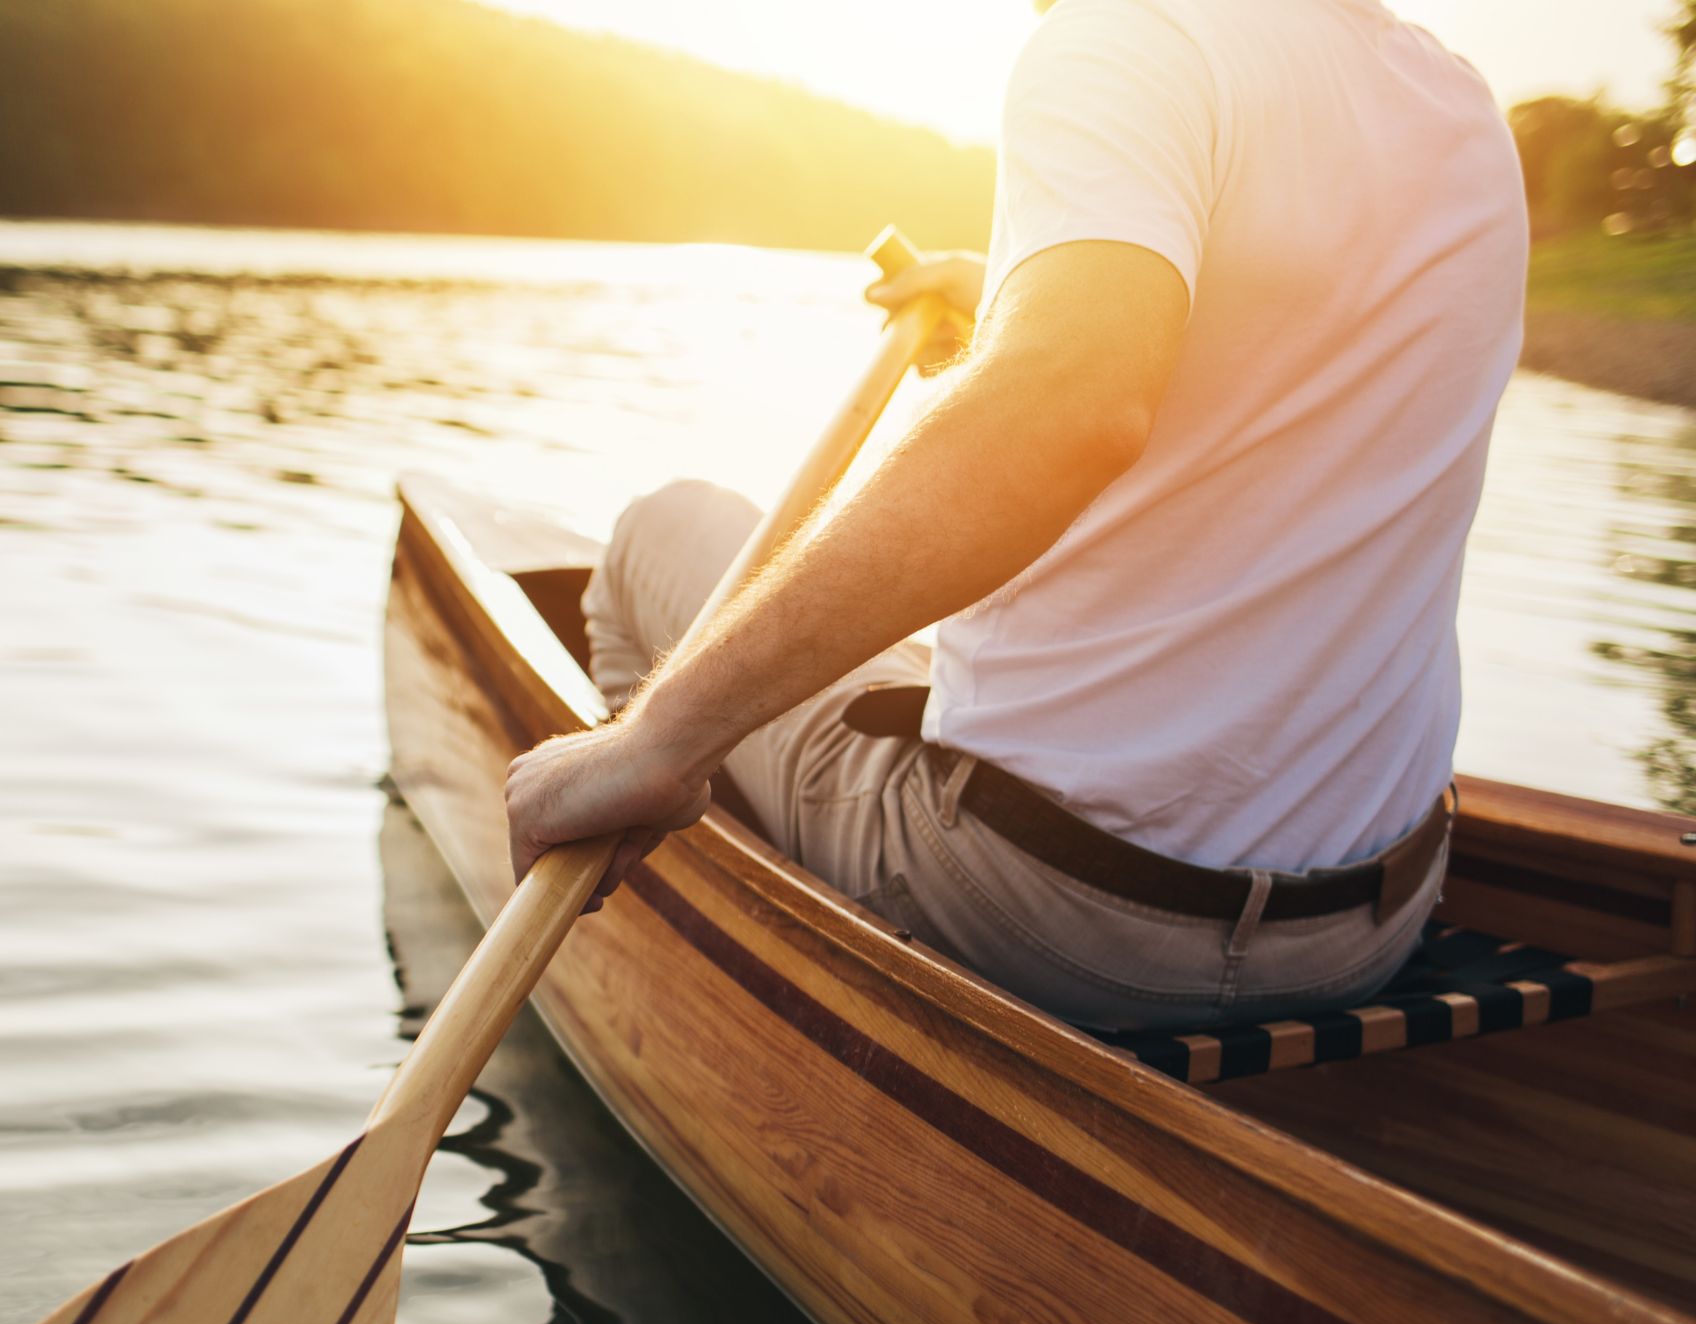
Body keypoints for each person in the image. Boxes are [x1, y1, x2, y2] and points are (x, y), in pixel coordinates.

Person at [502, 0, 1529, 1031]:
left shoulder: (1129, 33)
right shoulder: (1457, 105)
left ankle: (697, 990)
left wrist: (660, 743)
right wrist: (1019, 303)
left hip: (1055, 916)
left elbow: (1070, 407)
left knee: (657, 535)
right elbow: (1278, 343)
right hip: (1365, 927)